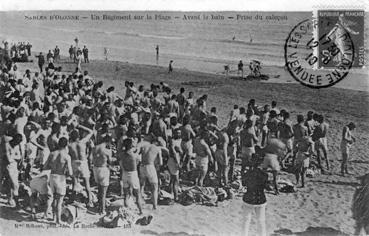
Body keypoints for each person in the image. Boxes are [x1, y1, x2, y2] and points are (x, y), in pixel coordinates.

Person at [43, 137, 73, 225]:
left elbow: (45, 166)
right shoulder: (67, 156)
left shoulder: (52, 154)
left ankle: (53, 217)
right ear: (66, 145)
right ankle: (57, 220)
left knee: (54, 198)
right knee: (60, 200)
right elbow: (70, 173)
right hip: (61, 177)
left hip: (52, 176)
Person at [242, 148, 268, 236]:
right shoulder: (264, 175)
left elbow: (243, 183)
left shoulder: (247, 173)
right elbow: (265, 186)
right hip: (260, 199)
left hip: (249, 198)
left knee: (246, 221)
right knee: (261, 221)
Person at [68, 125, 94, 207]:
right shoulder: (82, 142)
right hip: (83, 162)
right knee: (87, 184)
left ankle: (72, 199)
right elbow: (91, 132)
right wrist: (80, 126)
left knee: (74, 183)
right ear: (78, 136)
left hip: (74, 162)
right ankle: (90, 201)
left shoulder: (69, 145)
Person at [119, 138, 143, 214]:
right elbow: (137, 163)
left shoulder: (122, 154)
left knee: (126, 195)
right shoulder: (134, 155)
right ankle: (141, 211)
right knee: (138, 194)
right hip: (133, 174)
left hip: (125, 173)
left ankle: (126, 211)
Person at [139, 141, 163, 210]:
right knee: (155, 187)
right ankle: (155, 206)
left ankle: (140, 203)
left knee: (142, 185)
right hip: (150, 166)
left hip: (142, 166)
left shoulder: (145, 146)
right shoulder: (158, 148)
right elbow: (160, 163)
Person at [92, 135, 112, 214]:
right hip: (103, 169)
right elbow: (110, 161)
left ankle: (100, 206)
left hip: (96, 168)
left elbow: (91, 158)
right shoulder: (107, 150)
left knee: (99, 189)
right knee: (104, 191)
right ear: (108, 142)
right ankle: (102, 210)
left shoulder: (95, 148)